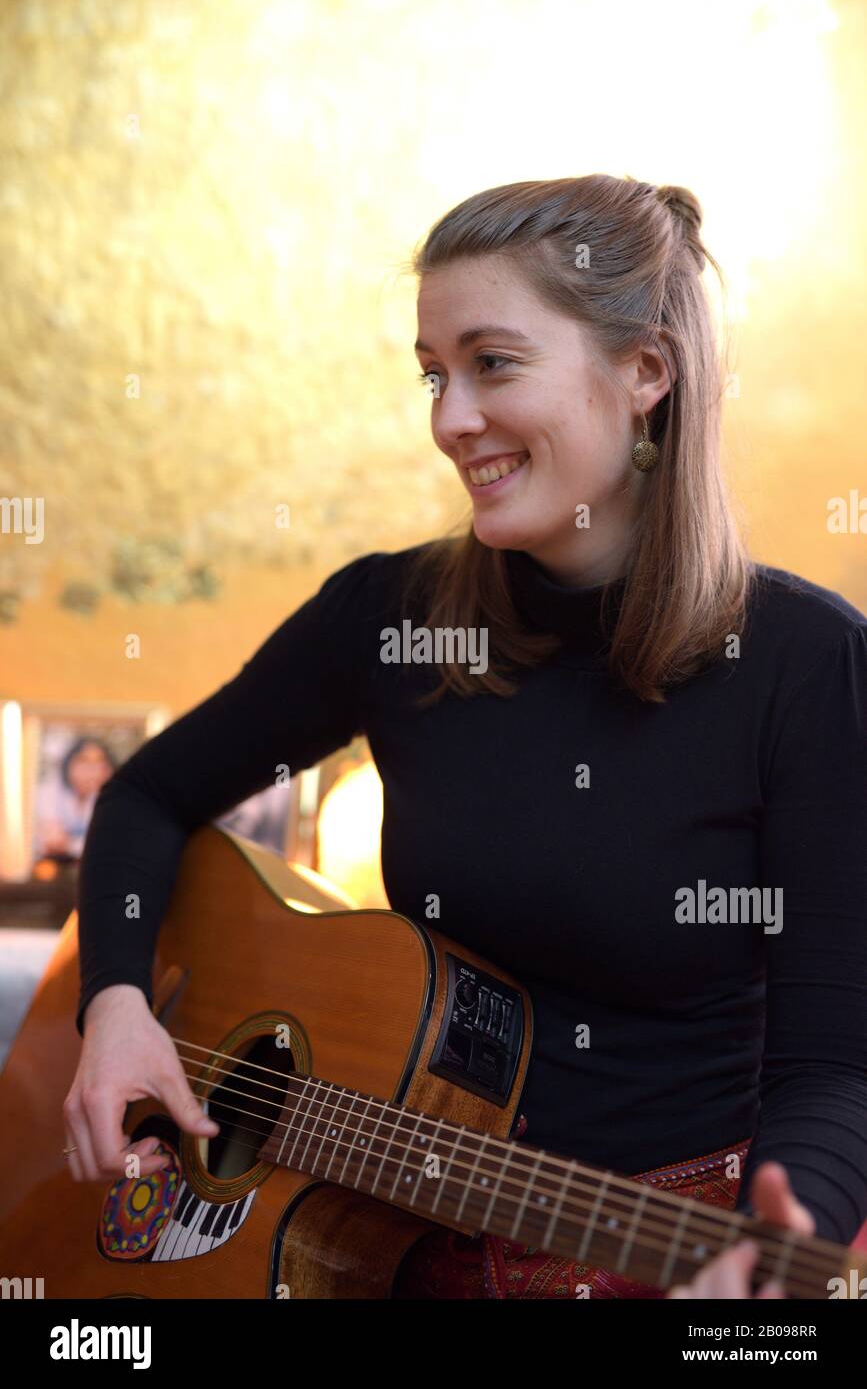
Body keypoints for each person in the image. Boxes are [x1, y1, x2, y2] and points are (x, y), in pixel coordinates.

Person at [63, 175, 867, 1300]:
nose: (449, 420)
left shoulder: (807, 661)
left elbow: (837, 1066)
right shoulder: (388, 617)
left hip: (674, 1253)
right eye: (434, 374)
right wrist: (116, 1004)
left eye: (493, 364)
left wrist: (777, 1249)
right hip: (390, 1250)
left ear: (646, 371)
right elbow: (144, 797)